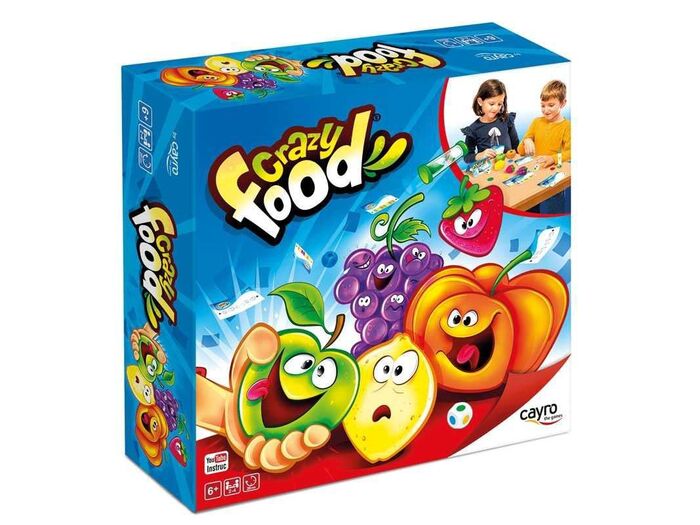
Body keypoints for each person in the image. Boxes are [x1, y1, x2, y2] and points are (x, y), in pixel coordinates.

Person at [461, 79, 518, 163]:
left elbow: (516, 145)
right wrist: (480, 155)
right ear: (480, 102)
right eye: (491, 104)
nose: (495, 108)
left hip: (509, 166)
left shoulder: (506, 119)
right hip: (489, 169)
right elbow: (467, 157)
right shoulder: (473, 130)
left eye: (499, 104)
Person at [518, 80, 571, 168]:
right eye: (543, 105)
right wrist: (526, 140)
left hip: (553, 169)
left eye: (551, 105)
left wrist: (553, 159)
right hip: (536, 167)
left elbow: (570, 154)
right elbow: (520, 151)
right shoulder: (536, 122)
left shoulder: (567, 126)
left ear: (562, 103)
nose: (545, 110)